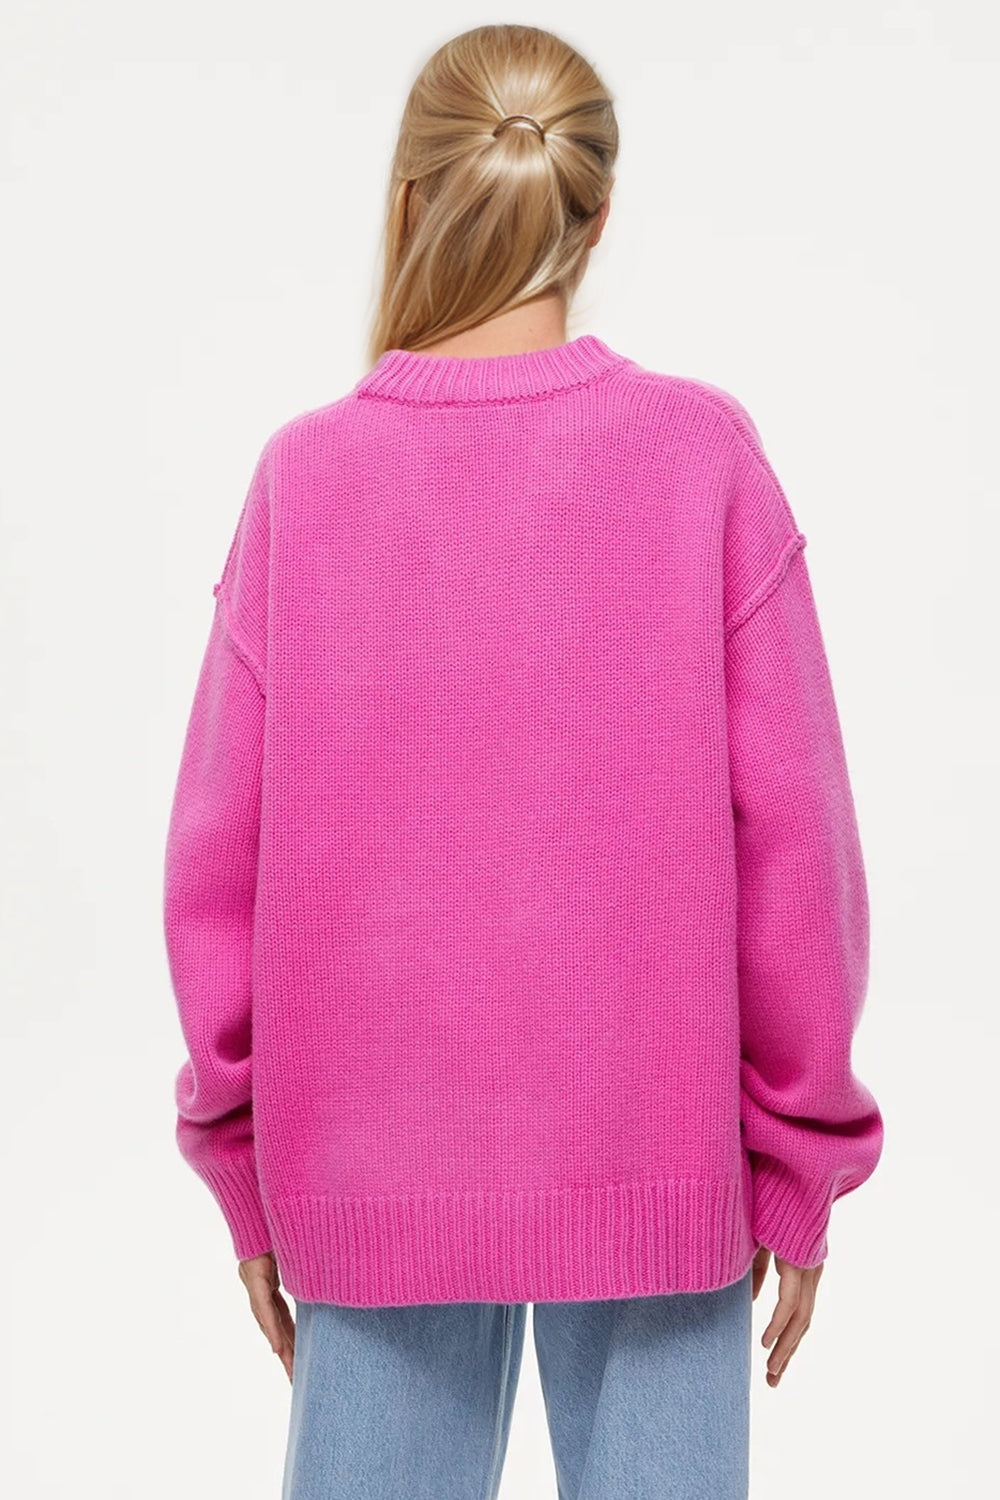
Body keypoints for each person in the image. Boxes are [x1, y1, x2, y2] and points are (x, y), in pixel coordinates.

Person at [162, 22, 885, 1499]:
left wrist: (241, 1165)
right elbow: (797, 844)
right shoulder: (702, 458)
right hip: (658, 1163)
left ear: (410, 198)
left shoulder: (307, 479)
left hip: (372, 1179)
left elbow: (214, 866)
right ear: (597, 213)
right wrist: (799, 1159)